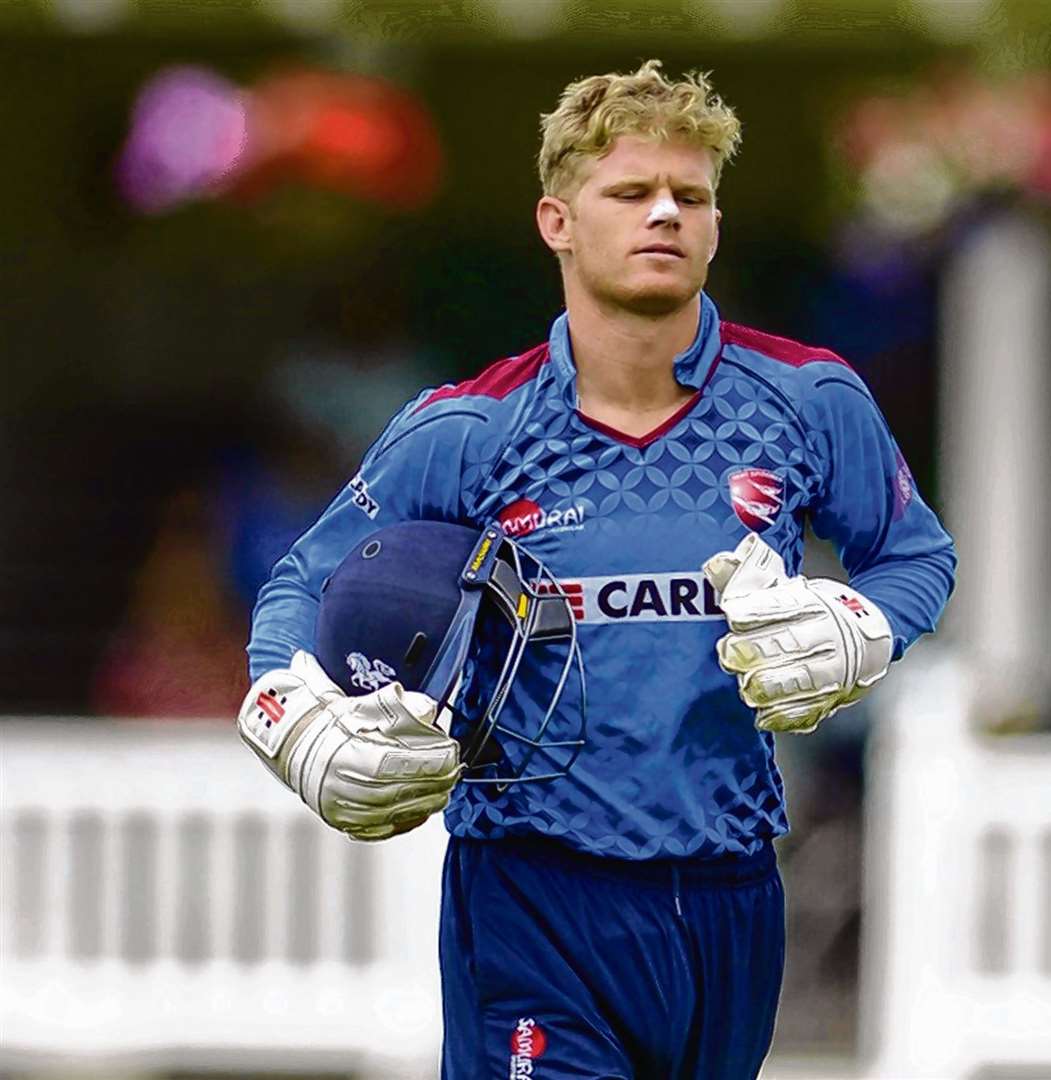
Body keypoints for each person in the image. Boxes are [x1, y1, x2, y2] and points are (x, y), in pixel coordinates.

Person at [237, 60, 956, 1079]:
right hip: (534, 895)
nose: (665, 213)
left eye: (691, 196)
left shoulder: (810, 400)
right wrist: (292, 712)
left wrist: (865, 630)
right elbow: (300, 582)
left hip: (731, 894)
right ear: (557, 221)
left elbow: (914, 555)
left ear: (713, 225)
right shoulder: (470, 429)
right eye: (630, 192)